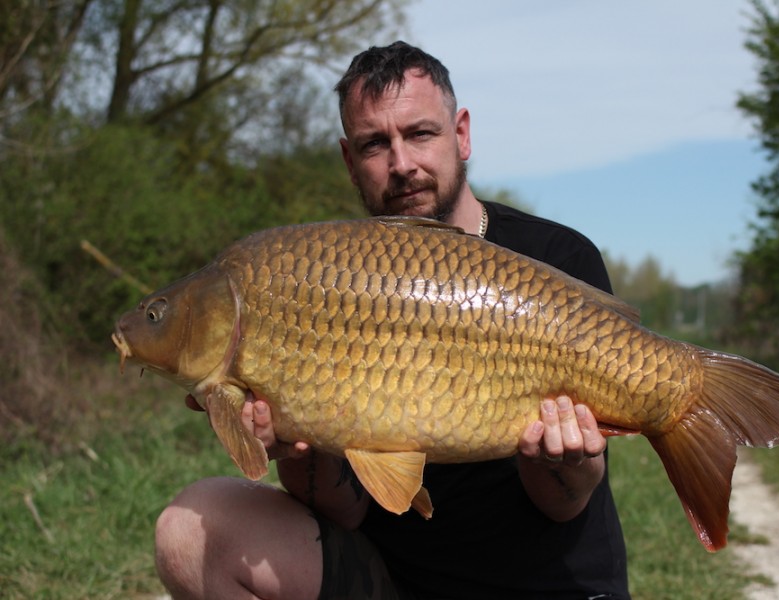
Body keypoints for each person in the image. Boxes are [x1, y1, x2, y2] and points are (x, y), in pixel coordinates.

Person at [154, 41, 629, 600]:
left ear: (462, 133)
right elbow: (344, 510)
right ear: (349, 160)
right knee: (189, 530)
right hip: (396, 582)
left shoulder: (556, 259)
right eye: (375, 143)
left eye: (420, 133)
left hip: (545, 585)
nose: (402, 165)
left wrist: (561, 456)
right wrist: (299, 449)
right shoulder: (328, 276)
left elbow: (566, 501)